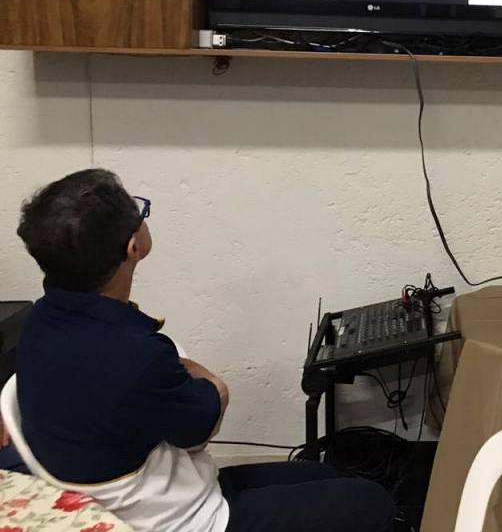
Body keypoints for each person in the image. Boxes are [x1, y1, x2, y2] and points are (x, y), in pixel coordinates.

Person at [12, 168, 396, 532]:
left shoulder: (38, 322)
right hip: (185, 520)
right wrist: (214, 383)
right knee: (371, 501)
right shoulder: (137, 357)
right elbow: (199, 431)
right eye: (140, 211)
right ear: (133, 247)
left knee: (325, 474)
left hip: (145, 492)